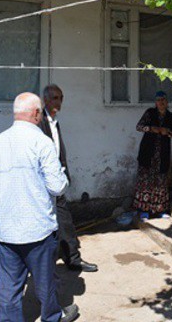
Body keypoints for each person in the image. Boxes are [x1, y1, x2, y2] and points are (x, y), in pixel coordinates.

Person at [0, 92, 79, 322]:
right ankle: (52, 317)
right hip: (36, 229)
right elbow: (57, 187)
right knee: (45, 282)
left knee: (9, 288)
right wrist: (65, 178)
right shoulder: (41, 142)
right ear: (37, 113)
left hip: (5, 230)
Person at [39, 84, 98, 273]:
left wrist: (64, 173)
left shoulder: (55, 121)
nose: (59, 102)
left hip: (56, 180)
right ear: (46, 100)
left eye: (61, 98)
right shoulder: (40, 122)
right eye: (55, 98)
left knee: (65, 222)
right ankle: (44, 266)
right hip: (42, 183)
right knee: (45, 226)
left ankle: (73, 259)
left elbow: (58, 152)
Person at [133, 91, 172, 220]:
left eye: (163, 100)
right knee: (145, 182)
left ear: (167, 102)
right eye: (159, 100)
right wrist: (151, 128)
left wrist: (168, 132)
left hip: (162, 155)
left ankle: (160, 210)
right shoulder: (149, 113)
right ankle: (144, 211)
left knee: (161, 182)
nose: (161, 102)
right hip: (147, 154)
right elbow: (139, 127)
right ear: (155, 102)